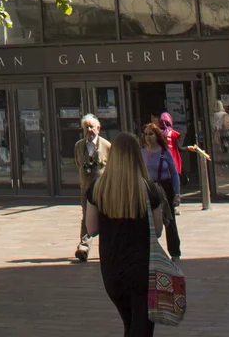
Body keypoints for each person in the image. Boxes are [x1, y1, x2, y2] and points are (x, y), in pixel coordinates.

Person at [82, 132, 176, 337]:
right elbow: (159, 231)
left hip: (112, 269)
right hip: (143, 269)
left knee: (130, 323)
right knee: (142, 326)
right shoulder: (149, 190)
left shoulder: (97, 189)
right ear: (137, 156)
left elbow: (91, 229)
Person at [71, 113, 109, 263]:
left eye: (92, 127)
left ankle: (106, 249)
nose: (89, 130)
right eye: (86, 127)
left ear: (98, 128)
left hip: (103, 190)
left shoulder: (107, 146)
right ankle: (84, 247)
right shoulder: (79, 146)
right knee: (87, 218)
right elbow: (78, 164)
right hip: (86, 189)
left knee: (105, 218)